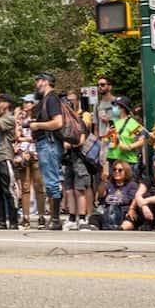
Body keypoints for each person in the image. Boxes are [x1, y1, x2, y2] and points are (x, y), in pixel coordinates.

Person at [30, 72, 64, 230]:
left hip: (49, 143)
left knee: (52, 182)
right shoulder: (47, 100)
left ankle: (55, 219)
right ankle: (54, 218)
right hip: (45, 143)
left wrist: (37, 126)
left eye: (38, 81)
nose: (36, 85)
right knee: (50, 181)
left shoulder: (51, 99)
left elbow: (58, 122)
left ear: (45, 82)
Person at [61, 90, 92, 230]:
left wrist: (69, 144)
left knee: (80, 189)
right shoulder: (63, 123)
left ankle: (83, 218)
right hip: (68, 159)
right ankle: (72, 217)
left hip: (79, 158)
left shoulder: (79, 121)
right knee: (69, 189)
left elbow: (82, 140)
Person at [14, 96, 46, 229]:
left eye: (29, 102)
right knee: (25, 186)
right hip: (23, 154)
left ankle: (41, 216)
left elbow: (38, 137)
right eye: (25, 102)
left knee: (39, 186)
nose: (26, 105)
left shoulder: (40, 118)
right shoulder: (20, 119)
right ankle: (26, 218)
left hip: (36, 154)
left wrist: (24, 138)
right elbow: (16, 136)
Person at [0, 93, 19, 230]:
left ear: (7, 104)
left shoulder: (8, 118)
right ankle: (1, 221)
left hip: (4, 157)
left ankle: (14, 220)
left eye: (0, 102)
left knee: (8, 190)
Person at [105, 96, 145, 180]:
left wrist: (129, 147)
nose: (114, 109)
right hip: (113, 159)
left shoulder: (132, 123)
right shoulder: (113, 122)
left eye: (116, 106)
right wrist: (108, 133)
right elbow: (108, 141)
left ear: (122, 108)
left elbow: (141, 140)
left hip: (128, 161)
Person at [91, 161, 138, 230]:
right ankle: (94, 227)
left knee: (130, 219)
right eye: (114, 169)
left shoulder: (132, 185)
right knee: (95, 216)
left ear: (126, 172)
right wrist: (103, 181)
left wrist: (131, 209)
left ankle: (120, 228)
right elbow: (101, 195)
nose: (116, 172)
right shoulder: (109, 184)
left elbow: (133, 198)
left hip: (123, 211)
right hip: (108, 210)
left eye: (120, 170)